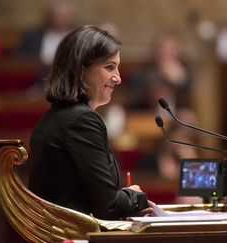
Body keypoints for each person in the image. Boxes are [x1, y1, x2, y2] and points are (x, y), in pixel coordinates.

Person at [28, 25, 154, 220]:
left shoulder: (56, 116)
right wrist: (135, 196)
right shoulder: (82, 120)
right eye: (109, 67)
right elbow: (108, 206)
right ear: (81, 69)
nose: (118, 78)